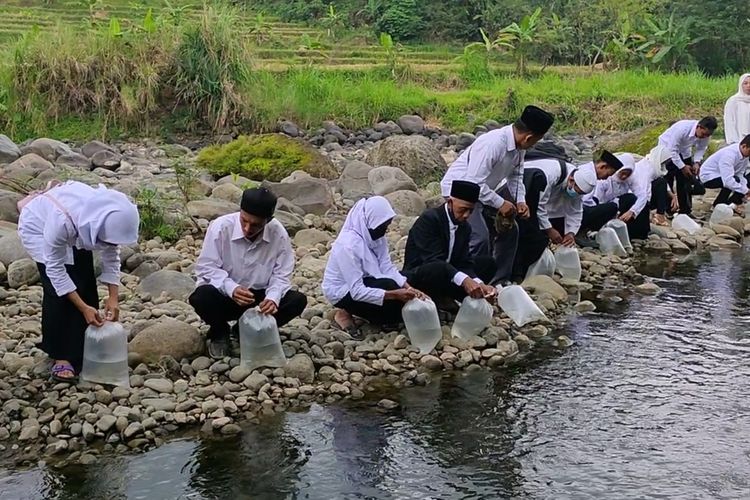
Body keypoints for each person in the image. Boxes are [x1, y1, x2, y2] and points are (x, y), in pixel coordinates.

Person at [17, 180, 139, 382]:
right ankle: (61, 355)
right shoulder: (62, 222)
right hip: (39, 227)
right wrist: (83, 308)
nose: (108, 243)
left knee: (84, 280)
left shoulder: (107, 214)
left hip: (78, 224)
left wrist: (113, 297)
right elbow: (55, 269)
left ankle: (84, 346)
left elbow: (111, 253)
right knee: (57, 291)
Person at [439, 105, 554, 283]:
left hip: (483, 192)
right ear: (528, 137)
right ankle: (468, 282)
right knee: (479, 237)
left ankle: (498, 281)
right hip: (459, 193)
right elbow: (473, 182)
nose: (534, 145)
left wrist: (521, 201)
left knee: (511, 230)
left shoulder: (519, 147)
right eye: (535, 141)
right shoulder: (493, 143)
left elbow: (516, 175)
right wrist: (501, 203)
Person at [189, 187, 307, 359]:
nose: (247, 228)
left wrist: (272, 298)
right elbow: (206, 268)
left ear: (268, 221)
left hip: (258, 300)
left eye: (256, 225)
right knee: (201, 296)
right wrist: (232, 288)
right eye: (244, 221)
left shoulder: (278, 233)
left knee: (297, 300)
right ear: (240, 212)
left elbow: (281, 274)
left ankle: (242, 330)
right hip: (225, 296)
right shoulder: (221, 227)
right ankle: (219, 331)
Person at [322, 196, 426, 337]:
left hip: (369, 280)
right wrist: (394, 294)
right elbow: (357, 291)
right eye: (383, 226)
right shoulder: (348, 246)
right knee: (390, 289)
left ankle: (378, 312)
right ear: (370, 222)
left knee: (410, 283)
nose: (385, 229)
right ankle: (344, 312)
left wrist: (409, 288)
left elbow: (387, 267)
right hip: (344, 291)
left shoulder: (376, 237)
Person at [510, 152, 618, 280]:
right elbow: (539, 205)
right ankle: (516, 274)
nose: (576, 194)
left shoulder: (578, 181)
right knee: (530, 237)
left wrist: (571, 233)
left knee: (540, 238)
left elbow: (576, 210)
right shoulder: (551, 174)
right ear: (571, 180)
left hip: (542, 210)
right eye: (577, 191)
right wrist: (549, 230)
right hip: (518, 196)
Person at [402, 180, 498, 310]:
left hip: (449, 273)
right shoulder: (430, 220)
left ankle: (457, 296)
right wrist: (465, 280)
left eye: (470, 211)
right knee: (439, 268)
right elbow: (433, 260)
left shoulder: (465, 227)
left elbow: (464, 262)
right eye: (463, 210)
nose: (466, 215)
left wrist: (479, 283)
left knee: (488, 263)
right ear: (450, 202)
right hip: (423, 275)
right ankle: (438, 298)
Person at [580, 153, 651, 240]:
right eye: (622, 173)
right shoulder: (604, 178)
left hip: (618, 210)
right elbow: (594, 200)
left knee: (632, 199)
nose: (624, 176)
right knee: (613, 206)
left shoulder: (631, 179)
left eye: (627, 174)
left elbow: (642, 195)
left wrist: (632, 211)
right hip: (603, 208)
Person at [658, 117, 716, 216]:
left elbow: (701, 148)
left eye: (707, 135)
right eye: (703, 134)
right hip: (667, 148)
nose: (704, 137)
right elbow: (672, 150)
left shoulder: (706, 135)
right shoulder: (682, 129)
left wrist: (697, 162)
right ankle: (669, 210)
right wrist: (682, 167)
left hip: (685, 150)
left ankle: (685, 210)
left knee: (686, 180)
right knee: (669, 179)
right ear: (699, 127)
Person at [698, 135, 750, 207]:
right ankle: (719, 204)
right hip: (708, 177)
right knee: (733, 180)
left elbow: (740, 174)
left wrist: (746, 188)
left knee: (744, 181)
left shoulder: (745, 155)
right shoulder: (729, 155)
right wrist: (745, 191)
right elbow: (728, 181)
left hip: (722, 175)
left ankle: (731, 203)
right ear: (744, 146)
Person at [724, 73, 750, 145]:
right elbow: (729, 121)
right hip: (739, 139)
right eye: (745, 83)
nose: (748, 86)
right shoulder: (733, 101)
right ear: (741, 85)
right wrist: (733, 141)